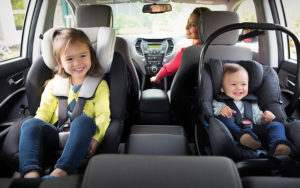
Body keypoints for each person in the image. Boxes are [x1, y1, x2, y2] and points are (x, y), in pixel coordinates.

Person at [19, 28, 110, 178]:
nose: (78, 63)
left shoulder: (99, 85)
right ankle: (31, 174)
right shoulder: (54, 85)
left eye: (83, 56)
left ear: (91, 56)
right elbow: (44, 113)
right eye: (69, 59)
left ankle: (61, 171)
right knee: (30, 123)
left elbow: (103, 114)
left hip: (83, 135)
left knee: (83, 121)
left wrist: (97, 137)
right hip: (56, 133)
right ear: (59, 61)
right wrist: (36, 132)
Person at [213, 63, 293, 156]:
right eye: (233, 84)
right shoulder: (219, 101)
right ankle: (244, 137)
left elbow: (258, 119)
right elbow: (214, 112)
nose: (239, 88)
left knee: (276, 125)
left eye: (243, 84)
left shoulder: (251, 102)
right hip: (234, 130)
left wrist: (264, 118)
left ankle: (278, 145)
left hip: (254, 128)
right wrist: (222, 111)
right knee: (222, 118)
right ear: (222, 88)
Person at [150, 7, 210, 83]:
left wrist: (157, 77)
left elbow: (168, 69)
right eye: (188, 22)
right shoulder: (223, 50)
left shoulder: (188, 52)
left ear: (205, 28)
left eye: (193, 25)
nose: (186, 27)